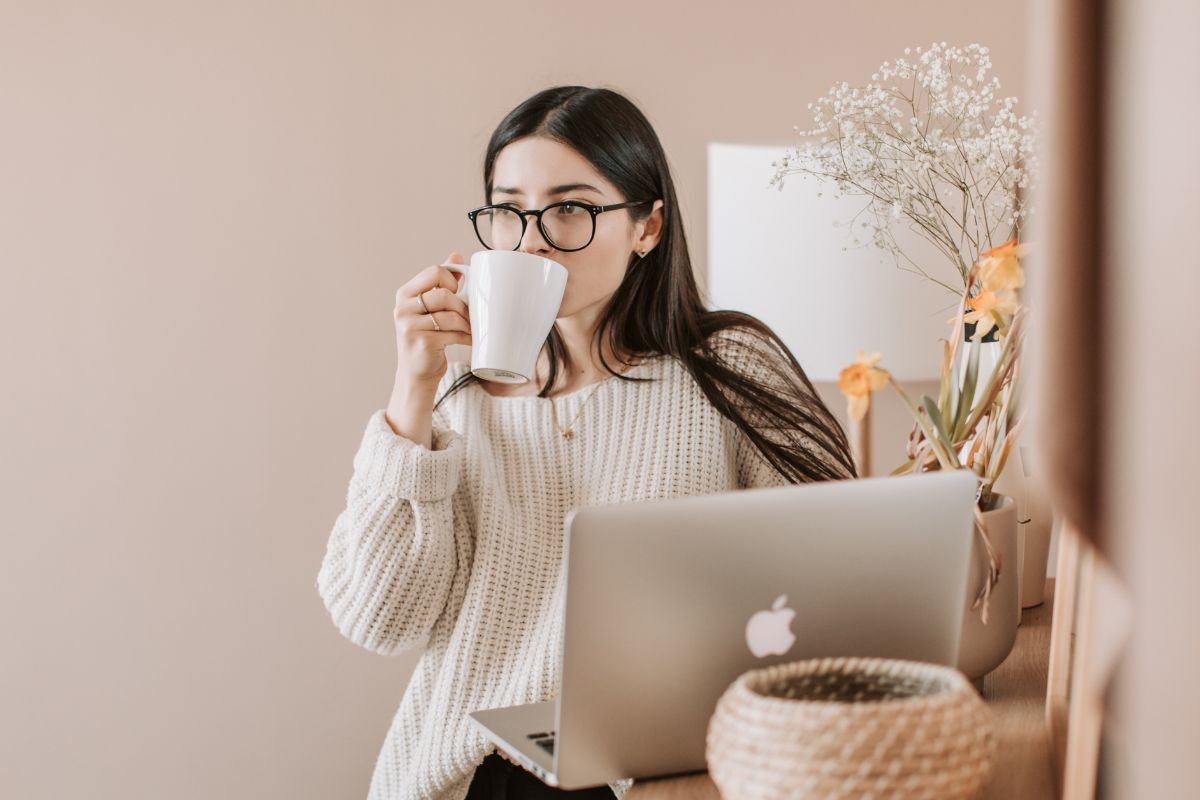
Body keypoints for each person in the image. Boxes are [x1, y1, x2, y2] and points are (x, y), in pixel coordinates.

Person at [316, 85, 856, 800]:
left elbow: (842, 581)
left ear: (647, 227)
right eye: (508, 211)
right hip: (470, 772)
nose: (531, 239)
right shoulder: (454, 396)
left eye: (570, 207)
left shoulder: (727, 368)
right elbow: (380, 620)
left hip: (653, 770)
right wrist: (412, 388)